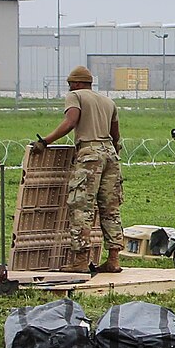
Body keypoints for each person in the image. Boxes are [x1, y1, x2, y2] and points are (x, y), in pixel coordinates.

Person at [35, 66, 124, 274]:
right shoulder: (107, 101)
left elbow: (70, 121)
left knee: (81, 206)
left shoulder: (75, 96)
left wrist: (45, 141)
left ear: (75, 83)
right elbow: (115, 133)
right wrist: (112, 149)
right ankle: (113, 259)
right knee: (110, 208)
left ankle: (81, 261)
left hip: (89, 153)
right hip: (110, 153)